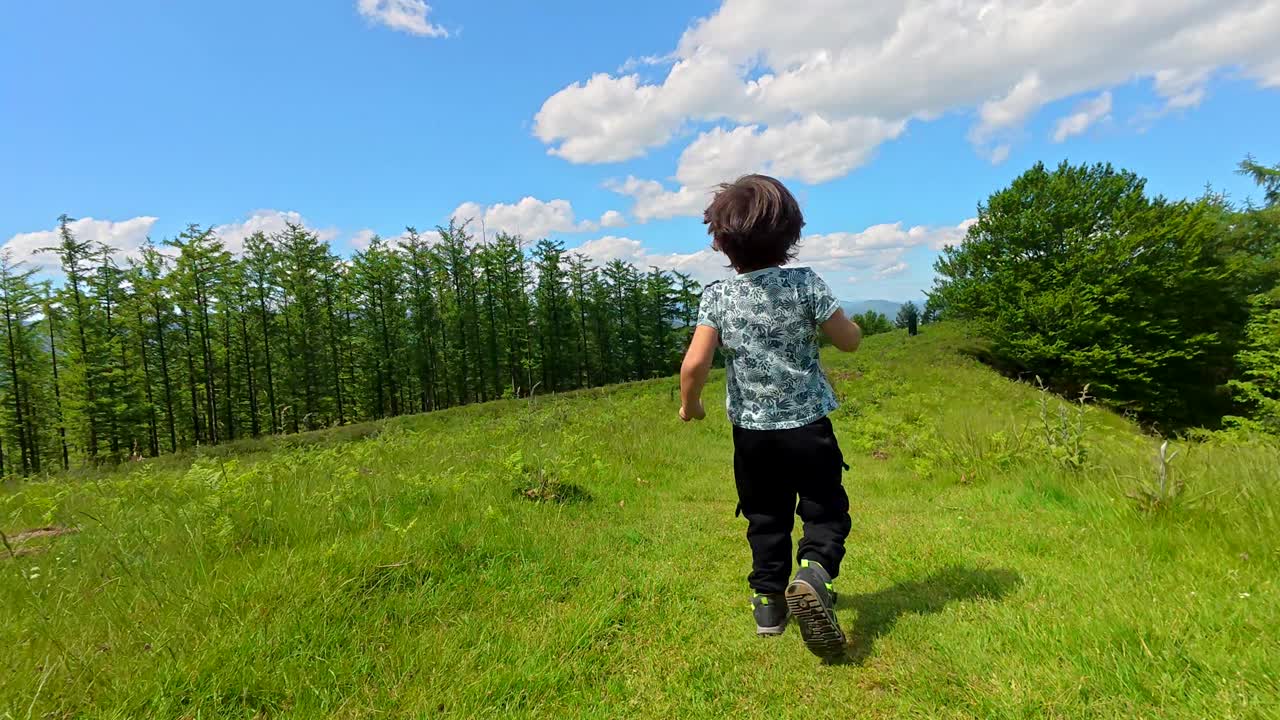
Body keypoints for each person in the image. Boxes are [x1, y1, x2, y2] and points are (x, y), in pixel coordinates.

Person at [679, 174, 862, 661]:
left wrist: (690, 405)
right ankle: (814, 573)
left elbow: (695, 363)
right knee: (823, 505)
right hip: (809, 428)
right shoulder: (806, 284)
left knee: (765, 514)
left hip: (752, 437)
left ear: (721, 241)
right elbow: (848, 340)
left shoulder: (717, 296)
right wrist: (852, 330)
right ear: (793, 234)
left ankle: (769, 604)